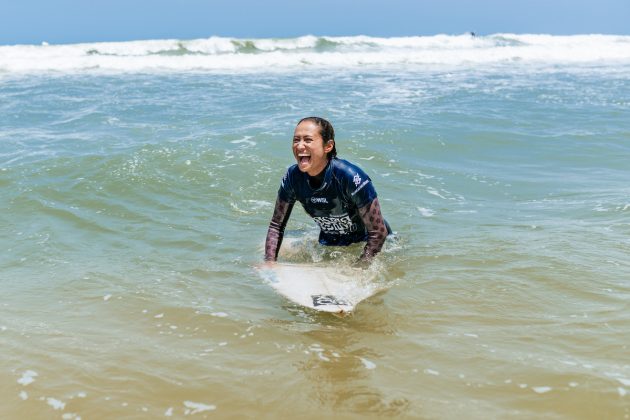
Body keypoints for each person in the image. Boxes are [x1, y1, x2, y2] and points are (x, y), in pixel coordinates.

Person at [264, 117, 391, 266]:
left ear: (328, 146)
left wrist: (359, 268)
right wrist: (269, 262)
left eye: (308, 140)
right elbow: (276, 226)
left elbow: (378, 233)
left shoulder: (349, 176)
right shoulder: (293, 178)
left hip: (374, 245)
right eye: (296, 140)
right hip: (329, 244)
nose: (299, 146)